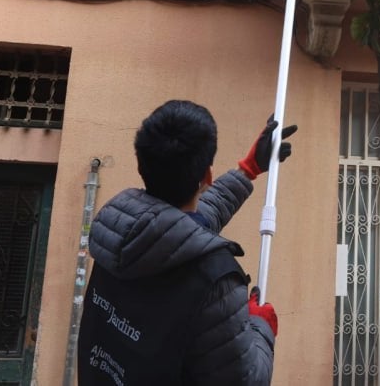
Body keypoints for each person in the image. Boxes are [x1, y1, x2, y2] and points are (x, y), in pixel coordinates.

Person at [77, 100, 297, 385]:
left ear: (142, 163)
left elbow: (193, 220)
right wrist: (260, 327)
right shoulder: (214, 279)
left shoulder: (118, 229)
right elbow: (245, 380)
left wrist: (249, 168)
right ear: (207, 175)